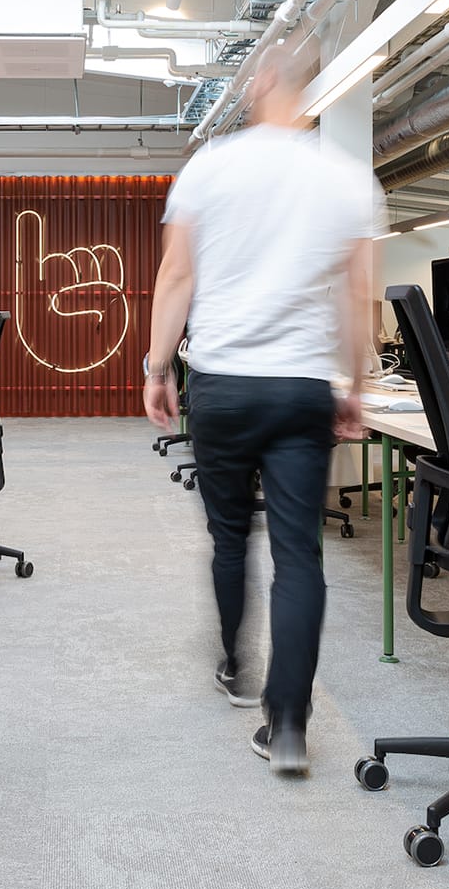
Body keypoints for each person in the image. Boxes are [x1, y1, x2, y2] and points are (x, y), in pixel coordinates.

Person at [143, 47, 383, 775]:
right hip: (300, 386)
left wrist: (159, 366)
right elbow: (358, 297)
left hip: (222, 383)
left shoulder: (210, 166)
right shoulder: (346, 179)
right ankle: (288, 723)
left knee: (227, 537)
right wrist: (357, 386)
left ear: (264, 82)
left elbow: (178, 273)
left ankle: (232, 663)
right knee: (298, 553)